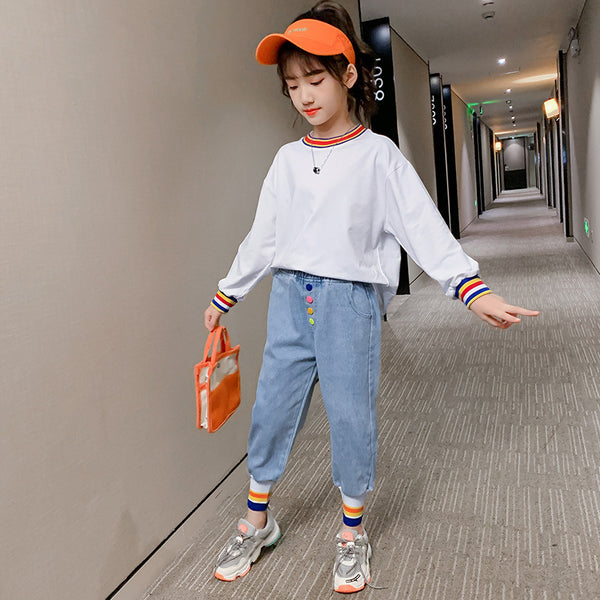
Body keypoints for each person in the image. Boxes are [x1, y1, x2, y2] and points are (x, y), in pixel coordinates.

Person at [204, 1, 539, 593]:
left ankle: (352, 533)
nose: (304, 96)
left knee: (351, 417)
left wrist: (471, 288)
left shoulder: (378, 156)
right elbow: (264, 237)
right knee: (270, 412)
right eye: (292, 85)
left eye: (315, 79)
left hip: (349, 305)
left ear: (348, 75)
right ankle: (257, 521)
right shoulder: (285, 161)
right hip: (289, 299)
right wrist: (227, 295)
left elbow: (422, 225)